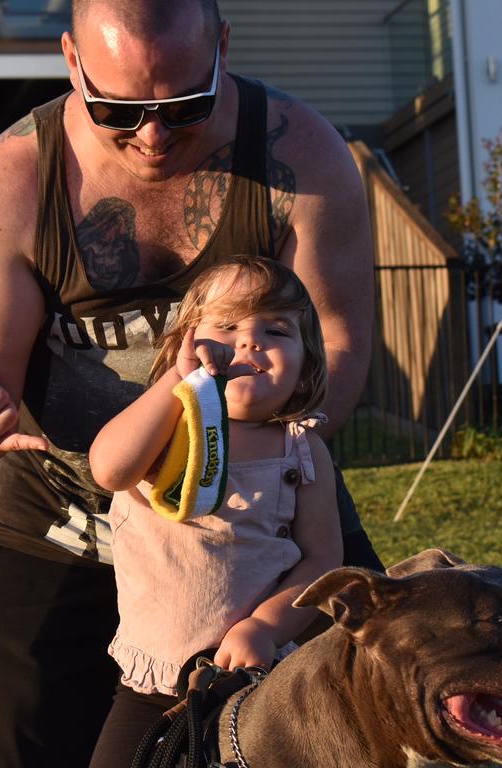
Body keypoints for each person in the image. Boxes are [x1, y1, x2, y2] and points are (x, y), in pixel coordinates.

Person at [0, 0, 380, 765]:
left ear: (224, 47)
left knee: (356, 727)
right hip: (64, 522)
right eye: (117, 109)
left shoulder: (304, 157)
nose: (153, 134)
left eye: (183, 105)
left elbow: (339, 344)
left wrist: (259, 479)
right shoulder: (9, 185)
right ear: (71, 61)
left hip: (261, 512)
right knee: (26, 751)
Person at [86, 255, 342, 766]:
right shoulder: (163, 424)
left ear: (306, 361)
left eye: (276, 329)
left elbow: (324, 561)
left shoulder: (300, 447)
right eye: (226, 325)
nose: (249, 342)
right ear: (184, 341)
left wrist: (265, 627)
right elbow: (109, 471)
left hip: (257, 678)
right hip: (154, 681)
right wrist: (177, 383)